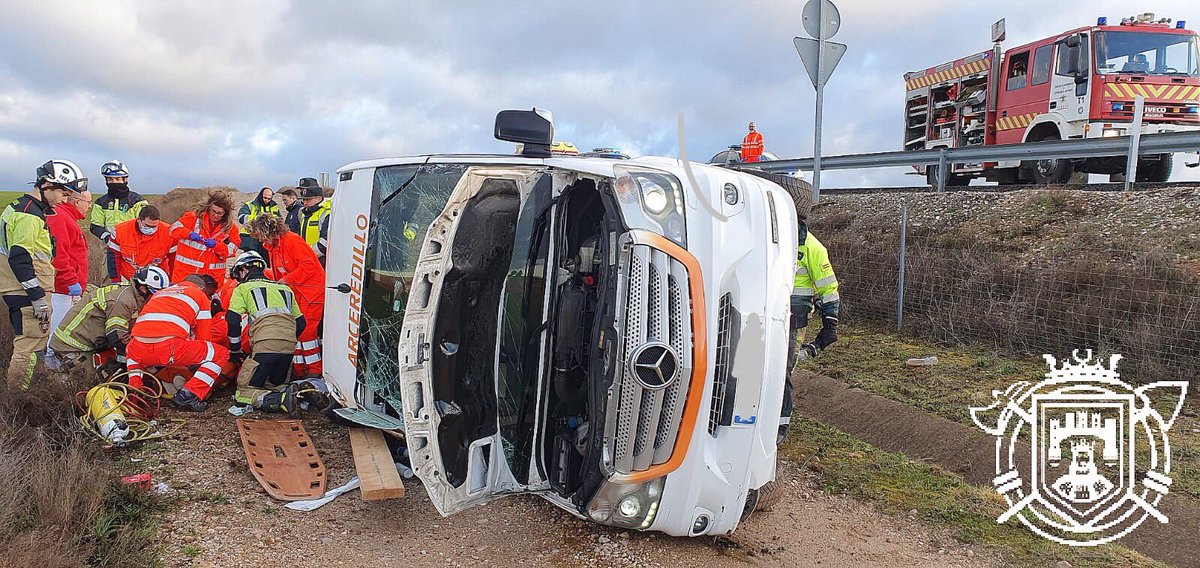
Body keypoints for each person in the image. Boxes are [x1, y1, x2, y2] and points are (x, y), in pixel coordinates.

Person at [1, 160, 82, 388]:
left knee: (30, 344)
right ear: (46, 185)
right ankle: (19, 397)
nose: (65, 200)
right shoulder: (29, 216)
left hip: (18, 288)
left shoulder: (21, 207)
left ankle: (23, 391)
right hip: (26, 291)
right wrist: (36, 295)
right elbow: (19, 257)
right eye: (63, 193)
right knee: (30, 346)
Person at [126, 274, 228, 411]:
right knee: (220, 354)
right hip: (169, 347)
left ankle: (135, 391)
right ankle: (189, 394)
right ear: (202, 288)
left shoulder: (160, 293)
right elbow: (203, 338)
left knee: (133, 354)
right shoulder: (200, 295)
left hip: (137, 347)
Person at [780, 219, 840, 444]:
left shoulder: (813, 248)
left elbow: (828, 288)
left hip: (795, 318)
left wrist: (830, 324)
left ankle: (780, 426)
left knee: (782, 371)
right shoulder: (768, 238)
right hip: (763, 314)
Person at [48, 267, 169, 378]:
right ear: (143, 288)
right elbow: (116, 336)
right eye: (155, 293)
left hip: (92, 342)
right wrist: (140, 357)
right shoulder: (124, 301)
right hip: (72, 345)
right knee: (92, 382)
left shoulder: (134, 297)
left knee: (113, 371)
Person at [225, 251, 306, 413]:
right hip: (289, 346)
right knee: (276, 385)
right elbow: (301, 322)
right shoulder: (284, 289)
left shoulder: (243, 288)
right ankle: (304, 394)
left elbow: (233, 319)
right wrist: (286, 339)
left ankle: (279, 400)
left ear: (243, 270)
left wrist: (235, 349)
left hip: (264, 345)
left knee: (244, 391)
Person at [247, 215, 325, 380]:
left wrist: (286, 281)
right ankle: (298, 370)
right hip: (296, 293)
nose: (259, 239)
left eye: (259, 235)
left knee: (307, 333)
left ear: (268, 231)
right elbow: (279, 272)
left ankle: (313, 371)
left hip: (311, 293)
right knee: (295, 331)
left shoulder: (292, 241)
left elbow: (308, 266)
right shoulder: (273, 247)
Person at [89, 160, 148, 283]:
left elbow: (145, 224)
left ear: (125, 179)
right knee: (109, 283)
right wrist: (108, 237)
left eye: (117, 179)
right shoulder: (101, 202)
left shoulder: (137, 201)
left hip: (134, 252)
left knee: (137, 284)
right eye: (110, 180)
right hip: (110, 250)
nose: (113, 182)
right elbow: (95, 226)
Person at [46, 181, 93, 333]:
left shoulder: (67, 217)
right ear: (78, 202)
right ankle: (51, 356)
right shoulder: (60, 217)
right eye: (88, 202)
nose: (90, 206)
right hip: (60, 290)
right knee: (57, 333)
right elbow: (58, 254)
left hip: (65, 289)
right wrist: (70, 281)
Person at [169, 192, 241, 286]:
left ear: (225, 213)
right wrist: (188, 234)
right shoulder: (193, 218)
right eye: (213, 211)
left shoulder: (230, 228)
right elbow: (173, 230)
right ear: (208, 207)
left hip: (212, 280)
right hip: (185, 276)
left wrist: (217, 246)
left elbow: (233, 250)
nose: (215, 215)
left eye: (220, 213)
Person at [110, 205, 174, 282]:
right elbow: (113, 257)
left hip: (157, 279)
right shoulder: (120, 231)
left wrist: (171, 281)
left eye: (155, 226)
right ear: (139, 220)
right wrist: (116, 280)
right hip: (128, 278)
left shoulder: (169, 233)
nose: (151, 229)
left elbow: (174, 261)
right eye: (147, 226)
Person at [236, 187, 279, 260]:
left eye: (269, 199)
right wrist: (259, 219)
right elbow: (241, 217)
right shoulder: (250, 205)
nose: (267, 200)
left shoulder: (274, 207)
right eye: (265, 198)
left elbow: (278, 221)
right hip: (250, 239)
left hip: (267, 240)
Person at [296, 178, 332, 265]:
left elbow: (326, 242)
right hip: (308, 260)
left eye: (308, 200)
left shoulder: (327, 212)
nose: (305, 203)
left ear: (318, 198)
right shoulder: (305, 213)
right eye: (303, 200)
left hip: (321, 260)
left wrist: (307, 254)